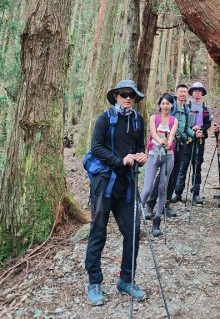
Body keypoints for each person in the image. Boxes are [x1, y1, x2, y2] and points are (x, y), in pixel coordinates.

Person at [84, 79, 147, 306]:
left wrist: (141, 156)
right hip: (104, 184)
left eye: (131, 94)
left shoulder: (138, 120)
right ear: (116, 96)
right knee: (98, 231)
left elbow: (140, 146)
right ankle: (94, 282)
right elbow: (96, 148)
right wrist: (121, 160)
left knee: (133, 232)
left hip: (127, 185)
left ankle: (126, 280)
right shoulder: (104, 119)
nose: (128, 97)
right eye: (123, 94)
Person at [145, 84, 195, 218]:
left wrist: (195, 134)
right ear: (176, 93)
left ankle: (165, 204)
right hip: (163, 146)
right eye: (180, 92)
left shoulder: (186, 109)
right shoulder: (169, 108)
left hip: (179, 145)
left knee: (173, 176)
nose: (183, 94)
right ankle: (150, 204)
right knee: (160, 177)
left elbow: (186, 129)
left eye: (185, 92)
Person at [141, 93, 178, 237]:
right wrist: (161, 141)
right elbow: (153, 133)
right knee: (147, 188)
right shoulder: (153, 118)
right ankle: (137, 214)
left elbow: (173, 134)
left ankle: (157, 220)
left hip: (168, 156)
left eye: (168, 103)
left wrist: (168, 143)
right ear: (159, 105)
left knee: (163, 188)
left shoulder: (174, 120)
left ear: (172, 105)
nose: (165, 106)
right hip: (153, 154)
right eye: (163, 103)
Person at [171, 81, 213, 205]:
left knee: (197, 166)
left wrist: (201, 130)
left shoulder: (206, 107)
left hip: (199, 139)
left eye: (200, 90)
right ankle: (178, 192)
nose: (197, 92)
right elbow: (183, 122)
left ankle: (196, 193)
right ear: (192, 93)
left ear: (202, 93)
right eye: (195, 90)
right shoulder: (186, 106)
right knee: (183, 166)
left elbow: (208, 123)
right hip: (187, 139)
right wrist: (191, 129)